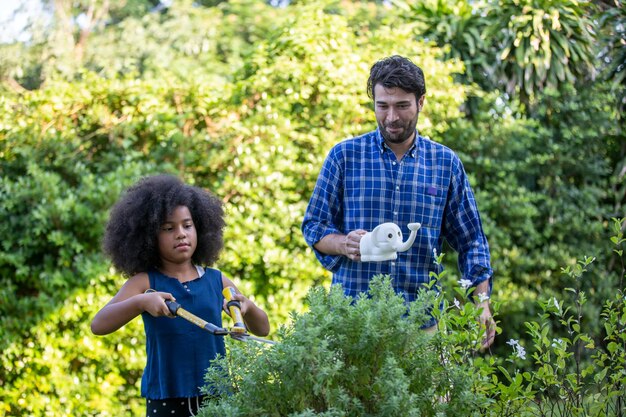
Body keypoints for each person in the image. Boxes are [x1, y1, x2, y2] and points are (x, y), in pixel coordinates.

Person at [301, 55, 495, 348]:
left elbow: (472, 241)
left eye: (402, 106)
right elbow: (314, 227)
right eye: (383, 106)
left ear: (421, 102)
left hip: (422, 326)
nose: (391, 117)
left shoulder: (445, 163)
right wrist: (344, 244)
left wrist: (481, 303)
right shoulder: (343, 156)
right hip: (353, 324)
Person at [91, 174, 270, 416]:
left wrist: (246, 307)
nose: (181, 234)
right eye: (168, 228)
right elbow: (99, 324)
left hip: (217, 395)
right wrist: (141, 302)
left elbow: (263, 329)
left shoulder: (216, 280)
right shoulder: (144, 282)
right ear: (149, 237)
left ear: (200, 228)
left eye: (187, 225)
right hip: (166, 398)